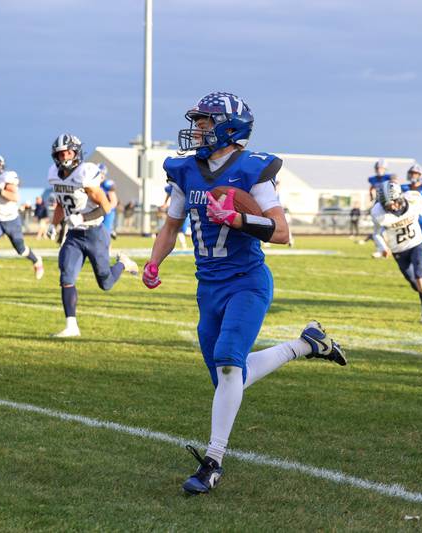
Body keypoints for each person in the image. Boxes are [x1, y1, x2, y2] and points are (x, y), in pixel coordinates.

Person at [142, 92, 347, 495]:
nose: (197, 131)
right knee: (228, 376)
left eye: (204, 123)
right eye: (198, 123)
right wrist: (154, 262)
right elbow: (171, 226)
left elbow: (282, 233)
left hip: (247, 281)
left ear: (228, 128)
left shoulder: (252, 170)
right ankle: (306, 344)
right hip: (208, 286)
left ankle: (212, 461)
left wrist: (237, 219)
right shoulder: (186, 171)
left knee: (228, 365)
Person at [47, 133, 138, 337]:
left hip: (95, 233)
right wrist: (54, 225)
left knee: (105, 283)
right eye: (61, 154)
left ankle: (123, 263)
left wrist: (82, 217)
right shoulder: (54, 174)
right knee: (66, 275)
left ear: (76, 153)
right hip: (74, 235)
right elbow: (61, 203)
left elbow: (106, 207)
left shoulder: (85, 173)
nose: (64, 157)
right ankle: (72, 326)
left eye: (68, 153)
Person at [372, 181, 422, 324]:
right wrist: (383, 247)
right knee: (414, 284)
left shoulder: (413, 199)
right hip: (398, 250)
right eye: (386, 205)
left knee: (420, 277)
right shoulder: (378, 212)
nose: (391, 207)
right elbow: (376, 234)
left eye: (392, 202)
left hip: (416, 244)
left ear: (399, 197)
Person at [0, 154, 44, 286]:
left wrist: (0, 191)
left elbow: (15, 197)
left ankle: (36, 261)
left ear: (0, 167)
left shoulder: (6, 177)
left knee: (21, 250)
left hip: (11, 219)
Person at [367, 159, 393, 257]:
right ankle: (382, 250)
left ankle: (384, 249)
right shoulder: (373, 179)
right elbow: (371, 187)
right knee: (378, 231)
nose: (379, 170)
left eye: (381, 168)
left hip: (388, 206)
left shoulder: (388, 177)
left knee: (382, 231)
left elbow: (395, 185)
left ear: (385, 169)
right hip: (378, 205)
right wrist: (371, 194)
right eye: (378, 168)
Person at [98, 164, 119, 240]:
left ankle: (110, 231)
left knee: (104, 234)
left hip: (107, 212)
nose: (100, 176)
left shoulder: (106, 184)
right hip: (98, 211)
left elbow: (114, 202)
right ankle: (111, 231)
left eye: (102, 173)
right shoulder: (94, 184)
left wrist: (106, 209)